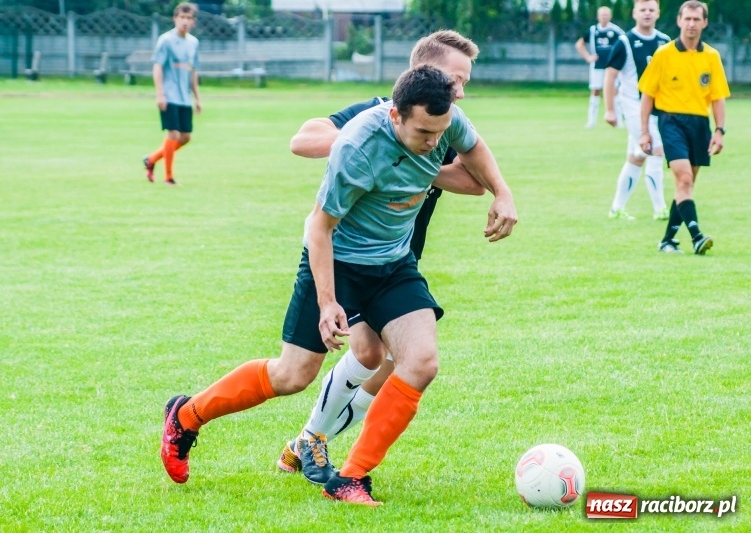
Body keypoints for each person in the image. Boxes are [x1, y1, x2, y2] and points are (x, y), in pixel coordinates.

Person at [159, 66, 518, 506]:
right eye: (424, 132)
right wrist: (328, 303)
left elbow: (473, 147)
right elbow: (319, 228)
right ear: (396, 116)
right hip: (339, 262)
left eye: (439, 133)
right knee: (292, 375)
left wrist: (503, 192)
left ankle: (350, 478)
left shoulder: (446, 122)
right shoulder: (357, 148)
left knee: (421, 361)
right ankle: (187, 414)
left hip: (393, 263)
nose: (434, 145)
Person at [277, 30, 488, 487]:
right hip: (355, 256)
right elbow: (302, 139)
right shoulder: (378, 116)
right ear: (422, 72)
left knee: (395, 365)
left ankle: (307, 442)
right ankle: (316, 443)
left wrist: (422, 164)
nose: (461, 92)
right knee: (368, 354)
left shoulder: (445, 122)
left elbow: (475, 181)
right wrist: (374, 158)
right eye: (456, 80)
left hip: (400, 258)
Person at [638, 0, 730, 254]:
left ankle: (667, 240)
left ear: (704, 22)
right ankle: (697, 236)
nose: (691, 24)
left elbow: (717, 97)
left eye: (696, 19)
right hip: (671, 122)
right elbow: (647, 95)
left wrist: (719, 131)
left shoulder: (711, 56)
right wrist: (645, 130)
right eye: (687, 19)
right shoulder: (664, 54)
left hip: (700, 124)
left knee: (685, 187)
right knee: (684, 178)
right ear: (679, 21)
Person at [603, 0, 670, 221]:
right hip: (633, 108)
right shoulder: (625, 42)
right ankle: (660, 209)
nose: (647, 14)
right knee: (655, 150)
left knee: (637, 157)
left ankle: (616, 209)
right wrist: (610, 109)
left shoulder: (665, 41)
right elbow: (610, 77)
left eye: (651, 10)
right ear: (635, 13)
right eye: (643, 10)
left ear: (658, 13)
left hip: (658, 110)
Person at [142, 2, 201, 185]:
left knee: (185, 137)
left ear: (193, 22)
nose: (185, 21)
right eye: (182, 17)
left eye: (189, 18)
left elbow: (192, 72)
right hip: (169, 95)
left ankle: (151, 159)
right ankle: (168, 177)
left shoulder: (193, 43)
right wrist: (160, 94)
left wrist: (197, 98)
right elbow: (158, 67)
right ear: (175, 18)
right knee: (173, 135)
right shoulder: (166, 40)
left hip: (184, 97)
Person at [575, 6, 624, 128]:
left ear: (610, 16)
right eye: (602, 15)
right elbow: (579, 44)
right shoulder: (592, 30)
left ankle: (619, 121)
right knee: (595, 91)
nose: (604, 17)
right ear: (598, 16)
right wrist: (588, 57)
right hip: (597, 66)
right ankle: (591, 121)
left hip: (612, 67)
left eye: (606, 15)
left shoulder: (616, 31)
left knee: (616, 92)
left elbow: (625, 44)